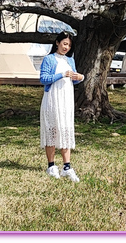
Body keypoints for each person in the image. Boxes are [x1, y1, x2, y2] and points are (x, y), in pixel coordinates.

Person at [39, 32, 84, 182]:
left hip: (66, 99)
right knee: (52, 129)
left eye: (69, 45)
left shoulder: (70, 60)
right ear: (57, 42)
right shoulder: (49, 59)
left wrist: (79, 77)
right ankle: (51, 165)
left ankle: (67, 167)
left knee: (65, 129)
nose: (66, 47)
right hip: (52, 98)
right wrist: (62, 74)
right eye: (64, 43)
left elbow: (74, 79)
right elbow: (44, 79)